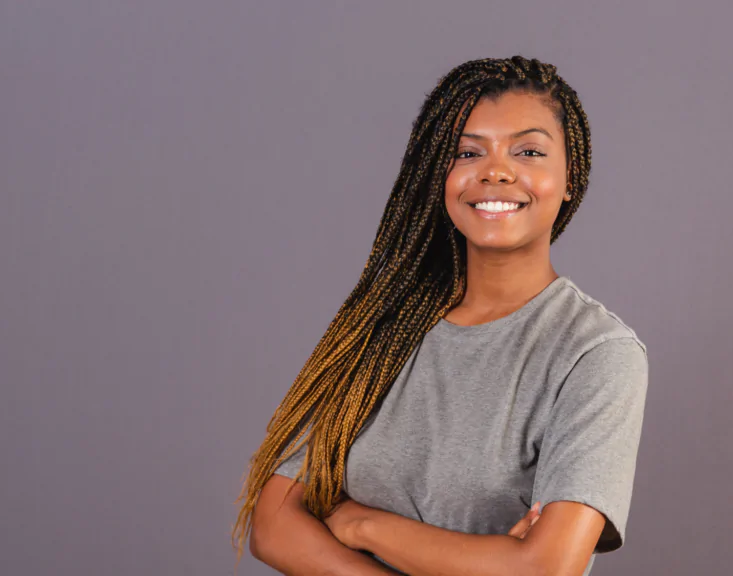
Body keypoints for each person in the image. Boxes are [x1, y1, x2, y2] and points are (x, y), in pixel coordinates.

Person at [232, 55, 649, 576]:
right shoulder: (385, 327)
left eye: (529, 151)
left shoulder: (596, 354)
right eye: (467, 152)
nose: (495, 170)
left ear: (570, 177)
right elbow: (273, 522)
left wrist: (363, 524)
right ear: (439, 175)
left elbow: (543, 568)